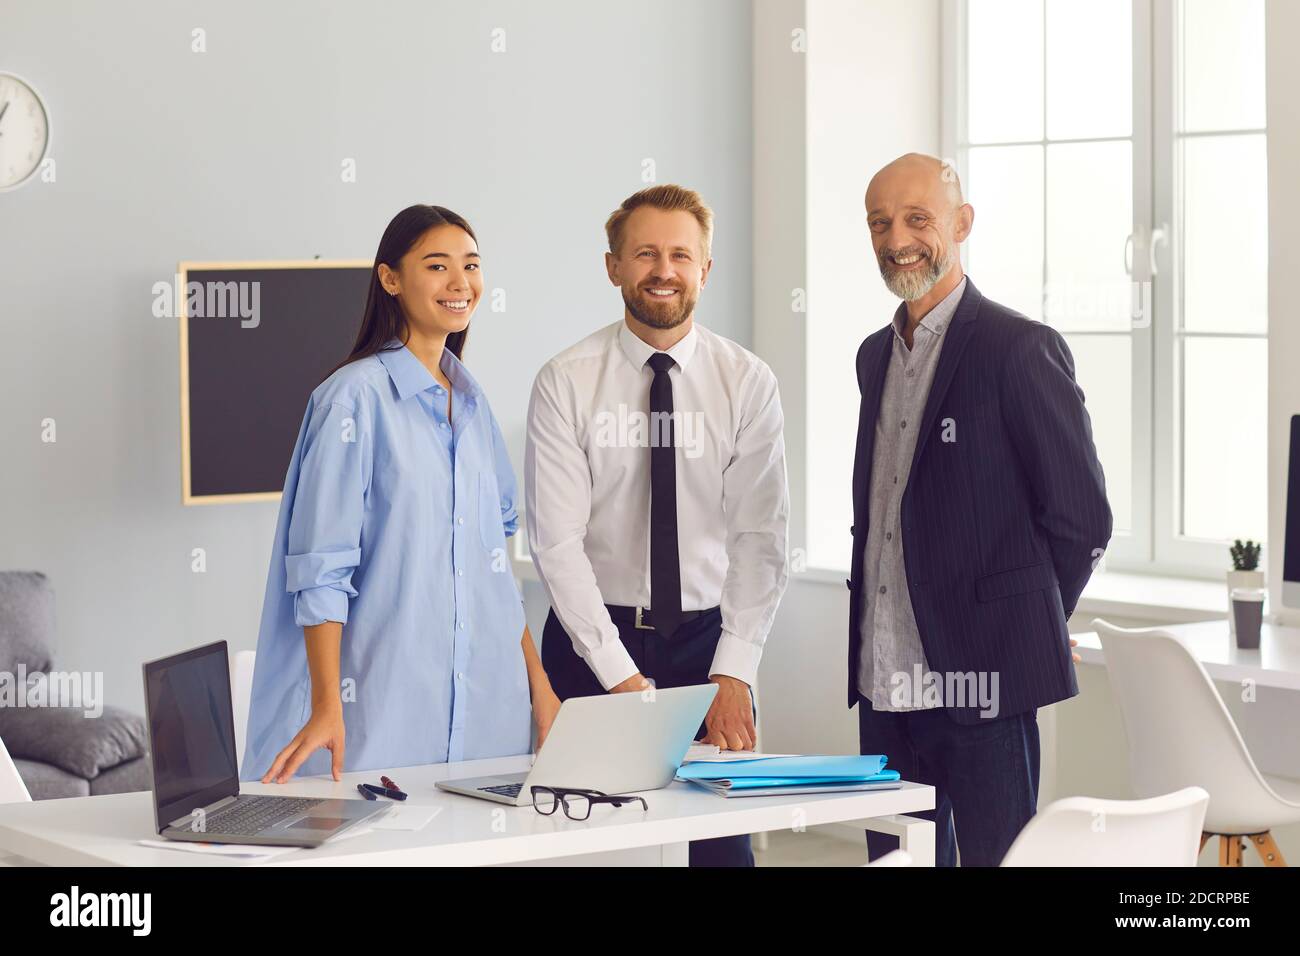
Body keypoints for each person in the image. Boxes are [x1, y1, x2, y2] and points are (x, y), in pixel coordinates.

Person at [849, 154, 1112, 865]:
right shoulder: (874, 356)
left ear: (961, 224)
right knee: (896, 863)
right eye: (880, 222)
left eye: (916, 218)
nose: (896, 237)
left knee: (999, 859)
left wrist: (1015, 621)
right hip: (885, 683)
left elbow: (1083, 519)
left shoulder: (1019, 350)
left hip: (985, 685)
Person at [240, 204, 562, 783]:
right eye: (437, 266)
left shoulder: (472, 403)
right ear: (390, 279)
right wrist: (326, 705)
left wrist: (539, 687)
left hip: (491, 717)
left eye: (471, 265)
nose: (460, 283)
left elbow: (493, 569)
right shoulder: (351, 401)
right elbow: (321, 571)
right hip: (380, 718)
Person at [525, 184, 790, 867]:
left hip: (709, 645)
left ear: (706, 268)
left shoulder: (748, 382)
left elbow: (761, 538)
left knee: (717, 852)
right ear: (613, 266)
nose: (663, 270)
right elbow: (557, 545)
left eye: (680, 254)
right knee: (593, 849)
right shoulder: (566, 381)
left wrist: (734, 671)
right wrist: (620, 678)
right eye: (645, 253)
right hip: (592, 645)